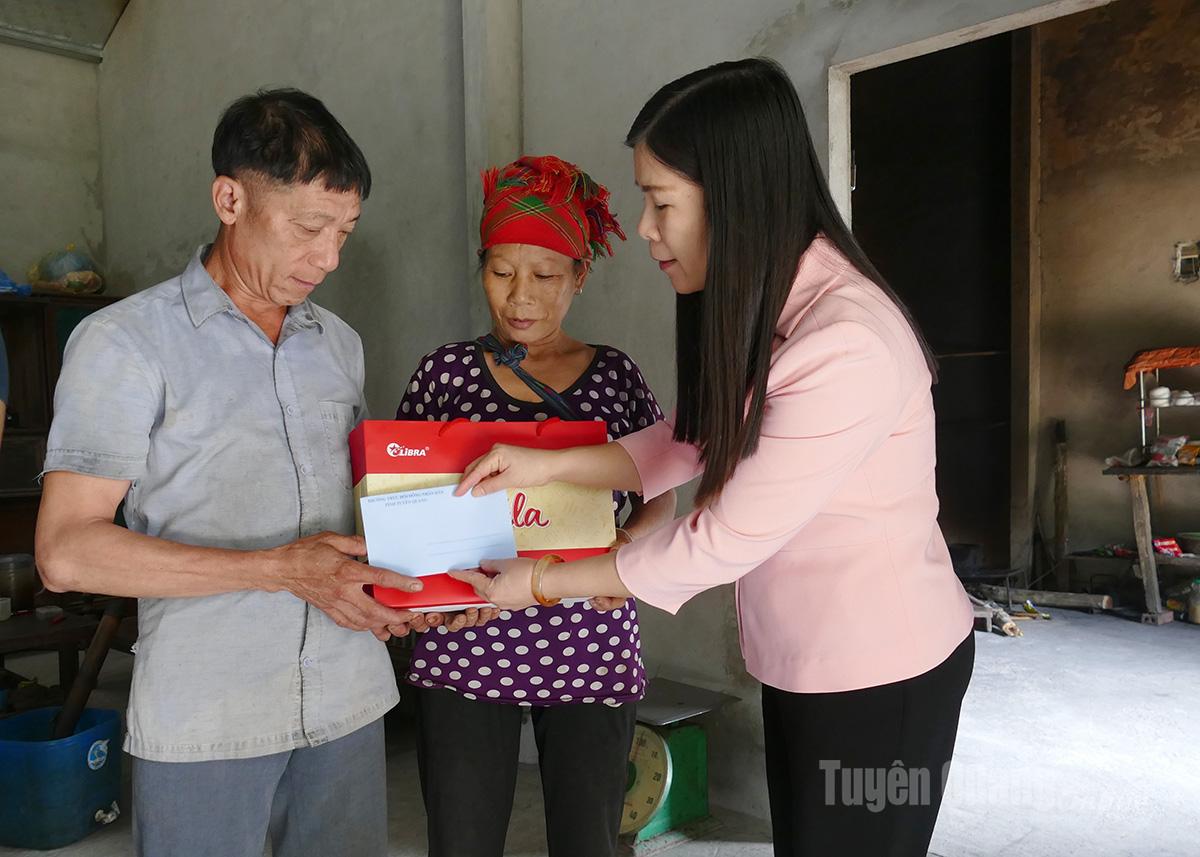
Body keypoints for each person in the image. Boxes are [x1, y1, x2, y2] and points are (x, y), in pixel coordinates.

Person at [451, 59, 976, 857]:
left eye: (661, 202)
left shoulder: (845, 342)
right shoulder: (767, 305)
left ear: (731, 194)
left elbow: (724, 537)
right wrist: (541, 464)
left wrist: (546, 582)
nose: (648, 229)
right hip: (812, 662)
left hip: (884, 684)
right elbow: (688, 439)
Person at [34, 88, 490, 857]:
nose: (330, 257)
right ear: (230, 198)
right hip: (209, 720)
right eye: (309, 228)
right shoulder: (126, 343)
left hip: (347, 705)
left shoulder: (337, 343)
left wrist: (413, 587)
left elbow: (355, 514)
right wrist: (282, 568)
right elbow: (66, 552)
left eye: (344, 231)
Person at [399, 155, 676, 857]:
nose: (521, 296)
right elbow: (402, 503)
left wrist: (630, 550)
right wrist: (419, 586)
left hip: (590, 635)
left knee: (589, 840)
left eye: (547, 275)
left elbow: (661, 492)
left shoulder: (614, 376)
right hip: (468, 637)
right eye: (501, 271)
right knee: (461, 840)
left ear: (580, 274)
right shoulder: (445, 374)